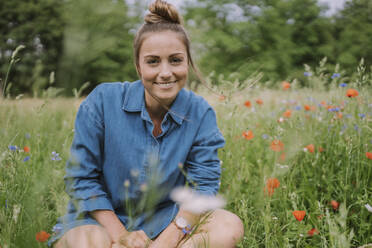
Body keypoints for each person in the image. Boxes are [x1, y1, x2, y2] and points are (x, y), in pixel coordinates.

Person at [49, 0, 244, 247]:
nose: (165, 72)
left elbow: (203, 186)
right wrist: (121, 235)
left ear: (187, 63)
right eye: (153, 61)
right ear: (138, 66)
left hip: (169, 221)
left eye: (175, 60)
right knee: (90, 242)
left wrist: (167, 241)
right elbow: (81, 178)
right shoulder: (102, 100)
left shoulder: (200, 112)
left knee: (229, 225)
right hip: (100, 219)